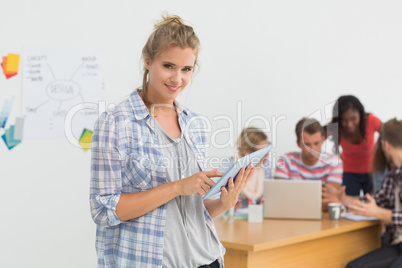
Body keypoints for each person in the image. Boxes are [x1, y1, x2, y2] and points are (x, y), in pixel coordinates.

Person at [89, 15, 255, 268]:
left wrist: (224, 202)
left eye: (186, 69)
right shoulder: (115, 123)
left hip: (207, 259)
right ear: (148, 61)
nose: (177, 79)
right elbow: (103, 210)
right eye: (168, 66)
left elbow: (188, 212)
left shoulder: (194, 123)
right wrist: (177, 187)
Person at [323, 118, 402, 268]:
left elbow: (378, 210)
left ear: (386, 145)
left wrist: (382, 214)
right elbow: (374, 201)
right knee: (354, 266)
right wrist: (345, 200)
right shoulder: (393, 176)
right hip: (397, 245)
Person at [275, 117, 343, 211]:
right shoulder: (285, 161)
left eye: (316, 143)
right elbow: (278, 198)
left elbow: (329, 201)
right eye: (307, 144)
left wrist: (293, 200)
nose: (312, 150)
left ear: (323, 139)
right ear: (298, 143)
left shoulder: (334, 163)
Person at [328, 95, 382, 196]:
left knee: (374, 203)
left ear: (360, 114)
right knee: (350, 205)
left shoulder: (371, 120)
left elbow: (388, 135)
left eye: (353, 118)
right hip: (349, 172)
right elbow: (317, 136)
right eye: (344, 120)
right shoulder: (336, 126)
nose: (349, 124)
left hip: (372, 172)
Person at [219, 127, 271, 207]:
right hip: (235, 216)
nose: (267, 155)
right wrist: (227, 205)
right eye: (262, 151)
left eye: (267, 150)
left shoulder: (265, 166)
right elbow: (218, 197)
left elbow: (269, 194)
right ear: (246, 150)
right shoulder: (228, 165)